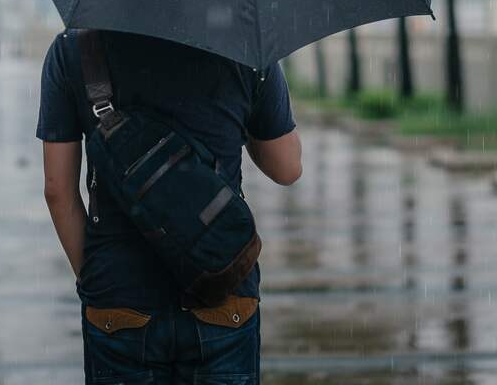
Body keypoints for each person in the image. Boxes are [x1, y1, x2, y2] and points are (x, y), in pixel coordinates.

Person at [38, 28, 301, 384]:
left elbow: (58, 191)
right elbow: (286, 167)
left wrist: (96, 278)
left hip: (119, 298)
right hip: (221, 289)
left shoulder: (76, 48)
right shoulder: (246, 47)